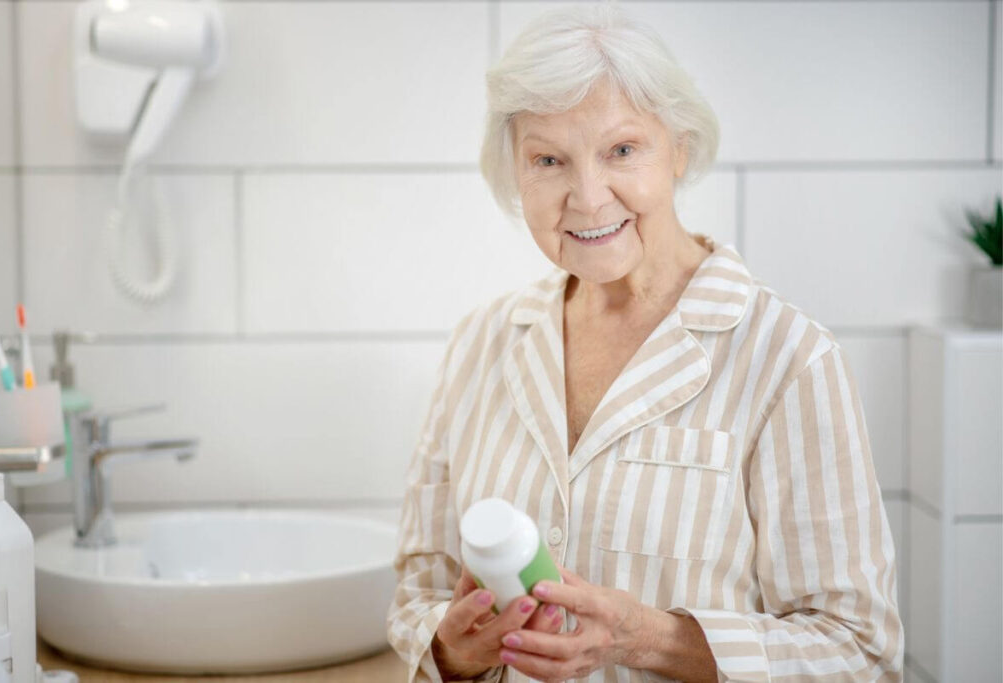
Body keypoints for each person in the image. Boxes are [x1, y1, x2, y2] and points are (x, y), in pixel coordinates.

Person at [387, 4, 903, 682]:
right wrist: (454, 649)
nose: (589, 197)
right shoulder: (478, 344)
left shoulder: (789, 358)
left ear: (679, 147)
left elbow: (860, 649)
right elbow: (418, 595)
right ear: (516, 173)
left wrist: (645, 638)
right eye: (548, 159)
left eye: (621, 150)